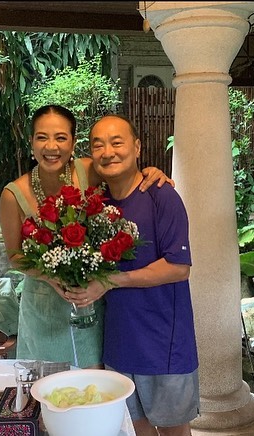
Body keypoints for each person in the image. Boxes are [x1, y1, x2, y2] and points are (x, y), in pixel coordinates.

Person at [0, 105, 172, 367]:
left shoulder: (89, 171)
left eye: (61, 137)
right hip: (43, 306)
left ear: (73, 142)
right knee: (47, 383)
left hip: (90, 299)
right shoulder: (13, 195)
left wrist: (152, 172)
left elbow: (125, 173)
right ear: (31, 141)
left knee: (95, 379)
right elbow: (15, 256)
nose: (51, 147)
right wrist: (51, 276)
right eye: (42, 137)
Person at [69, 114, 199, 435]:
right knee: (133, 430)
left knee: (173, 432)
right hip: (118, 344)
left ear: (137, 147)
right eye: (98, 145)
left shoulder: (161, 195)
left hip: (163, 346)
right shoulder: (96, 204)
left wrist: (110, 281)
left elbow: (178, 267)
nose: (108, 152)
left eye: (117, 142)